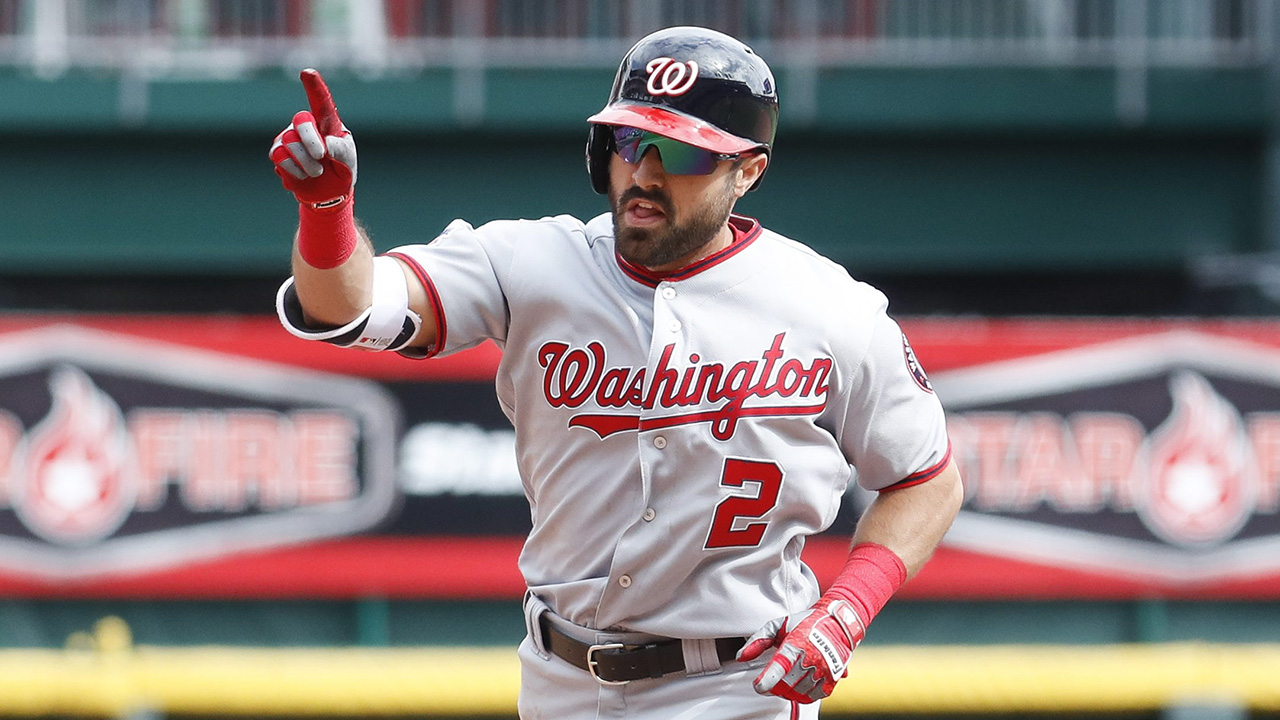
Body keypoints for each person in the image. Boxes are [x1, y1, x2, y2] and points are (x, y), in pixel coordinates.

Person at [270, 25, 963, 720]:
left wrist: (848, 608)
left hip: (737, 688)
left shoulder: (828, 307)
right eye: (630, 144)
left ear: (747, 170)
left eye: (684, 152)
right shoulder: (529, 262)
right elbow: (348, 307)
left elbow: (927, 478)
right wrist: (326, 211)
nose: (647, 174)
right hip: (559, 682)